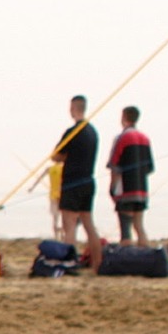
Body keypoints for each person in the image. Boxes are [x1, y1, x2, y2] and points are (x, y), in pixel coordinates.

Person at [52, 94, 101, 268]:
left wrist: (64, 156)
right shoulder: (93, 131)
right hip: (88, 181)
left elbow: (56, 156)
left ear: (73, 108)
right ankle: (97, 263)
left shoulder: (74, 131)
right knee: (89, 225)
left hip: (73, 182)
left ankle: (69, 263)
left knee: (69, 225)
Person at [107, 105, 154, 247]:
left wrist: (112, 187)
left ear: (124, 117)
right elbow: (149, 167)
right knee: (139, 226)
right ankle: (145, 256)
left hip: (126, 188)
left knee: (125, 228)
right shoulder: (145, 138)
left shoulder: (122, 138)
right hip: (141, 189)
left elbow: (115, 164)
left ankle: (128, 257)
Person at [27, 160, 64, 241]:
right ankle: (60, 235)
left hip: (53, 195)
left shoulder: (50, 168)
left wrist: (32, 187)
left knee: (55, 218)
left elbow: (39, 178)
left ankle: (57, 236)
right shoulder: (63, 168)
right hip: (61, 194)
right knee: (62, 216)